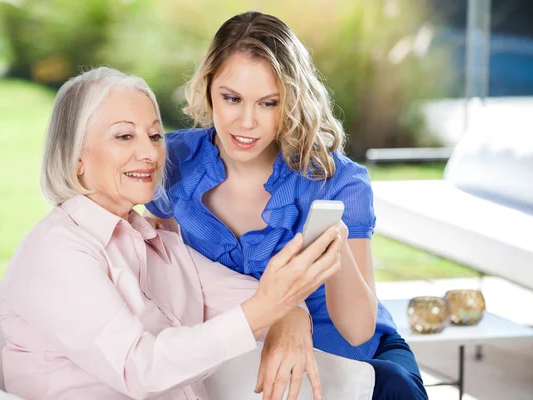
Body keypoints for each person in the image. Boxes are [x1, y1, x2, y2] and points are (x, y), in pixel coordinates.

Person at [0, 67, 343, 400]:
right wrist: (268, 309)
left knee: (384, 383)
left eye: (154, 135)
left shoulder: (156, 243)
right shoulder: (57, 252)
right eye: (124, 136)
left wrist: (292, 314)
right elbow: (141, 371)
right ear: (76, 158)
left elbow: (265, 299)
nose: (150, 154)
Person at [145, 11, 428, 400]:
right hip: (242, 358)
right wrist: (285, 311)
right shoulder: (174, 163)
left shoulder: (337, 180)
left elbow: (359, 330)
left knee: (394, 388)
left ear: (291, 100)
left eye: (268, 103)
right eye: (232, 98)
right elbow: (156, 270)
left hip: (358, 358)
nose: (246, 122)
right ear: (208, 87)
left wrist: (333, 246)